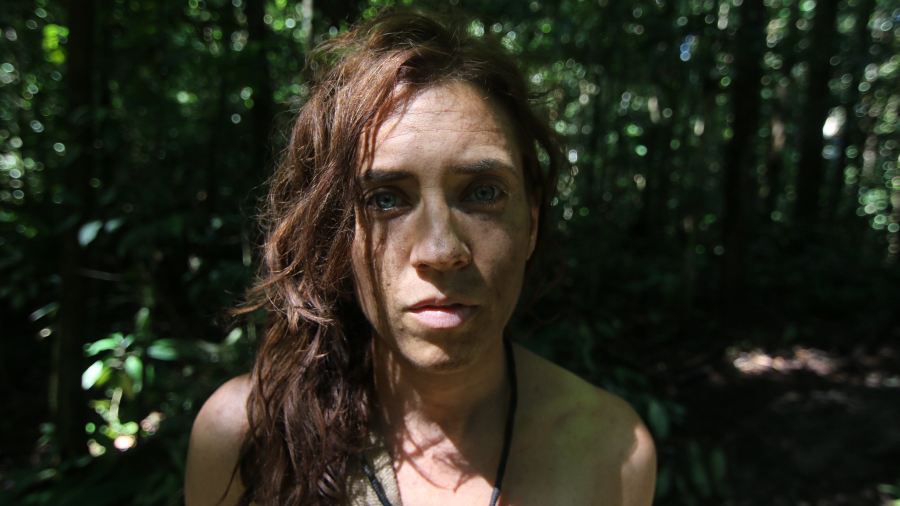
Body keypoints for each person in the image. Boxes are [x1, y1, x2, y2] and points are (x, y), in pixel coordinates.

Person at [185, 9, 656, 506]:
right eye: (386, 199)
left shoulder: (611, 453)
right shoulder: (247, 438)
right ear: (337, 234)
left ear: (532, 223)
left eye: (484, 193)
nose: (441, 252)